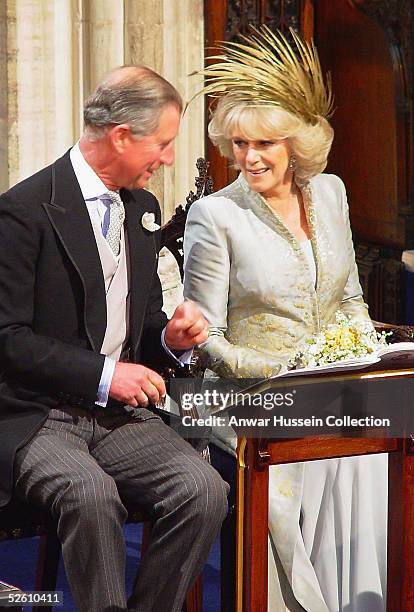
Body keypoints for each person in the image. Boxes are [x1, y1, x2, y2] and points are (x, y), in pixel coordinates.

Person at [0, 65, 229, 612]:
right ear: (122, 135)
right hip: (34, 414)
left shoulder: (141, 209)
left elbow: (145, 326)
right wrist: (105, 374)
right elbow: (7, 339)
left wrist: (171, 339)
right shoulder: (24, 212)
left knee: (203, 490)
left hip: (114, 417)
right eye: (164, 144)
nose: (169, 159)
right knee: (92, 494)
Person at [184, 28, 387, 611]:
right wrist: (287, 374)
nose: (249, 158)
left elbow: (349, 299)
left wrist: (360, 356)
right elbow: (206, 344)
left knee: (393, 433)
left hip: (332, 386)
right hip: (245, 398)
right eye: (239, 143)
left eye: (265, 144)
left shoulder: (331, 192)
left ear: (297, 144)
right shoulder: (215, 215)